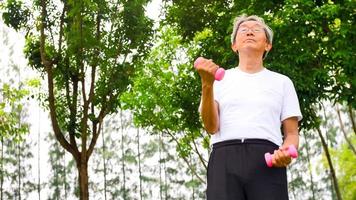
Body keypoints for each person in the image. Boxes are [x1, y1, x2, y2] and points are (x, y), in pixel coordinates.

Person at [196, 14, 302, 200]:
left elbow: (292, 134)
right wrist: (207, 84)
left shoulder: (283, 82)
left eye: (256, 29)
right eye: (243, 30)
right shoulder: (219, 80)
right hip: (224, 159)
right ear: (234, 46)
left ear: (267, 45)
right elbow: (211, 127)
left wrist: (285, 152)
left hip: (266, 160)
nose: (249, 31)